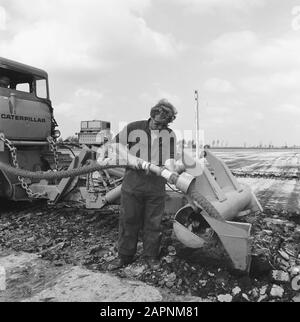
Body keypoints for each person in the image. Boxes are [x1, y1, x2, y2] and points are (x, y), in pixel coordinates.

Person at [108, 99, 178, 270]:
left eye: (164, 124)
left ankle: (151, 256)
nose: (159, 126)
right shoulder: (134, 128)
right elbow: (116, 144)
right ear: (152, 115)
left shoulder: (169, 134)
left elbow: (169, 158)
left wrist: (172, 171)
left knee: (154, 223)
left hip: (156, 185)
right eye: (157, 122)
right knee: (128, 220)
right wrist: (130, 158)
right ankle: (124, 256)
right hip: (133, 182)